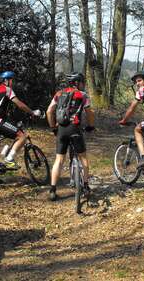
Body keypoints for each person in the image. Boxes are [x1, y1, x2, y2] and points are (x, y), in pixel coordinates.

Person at [46, 72, 95, 201]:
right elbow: (89, 113)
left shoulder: (59, 94)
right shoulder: (82, 95)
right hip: (75, 128)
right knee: (83, 157)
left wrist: (53, 128)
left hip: (61, 129)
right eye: (82, 82)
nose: (83, 85)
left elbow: (49, 111)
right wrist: (90, 126)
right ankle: (85, 186)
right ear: (77, 82)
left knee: (59, 160)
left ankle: (52, 189)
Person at [0, 71, 41, 167]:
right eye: (12, 80)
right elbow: (19, 104)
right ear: (6, 80)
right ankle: (9, 159)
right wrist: (32, 112)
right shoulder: (6, 89)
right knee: (22, 136)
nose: (13, 83)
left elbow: (0, 107)